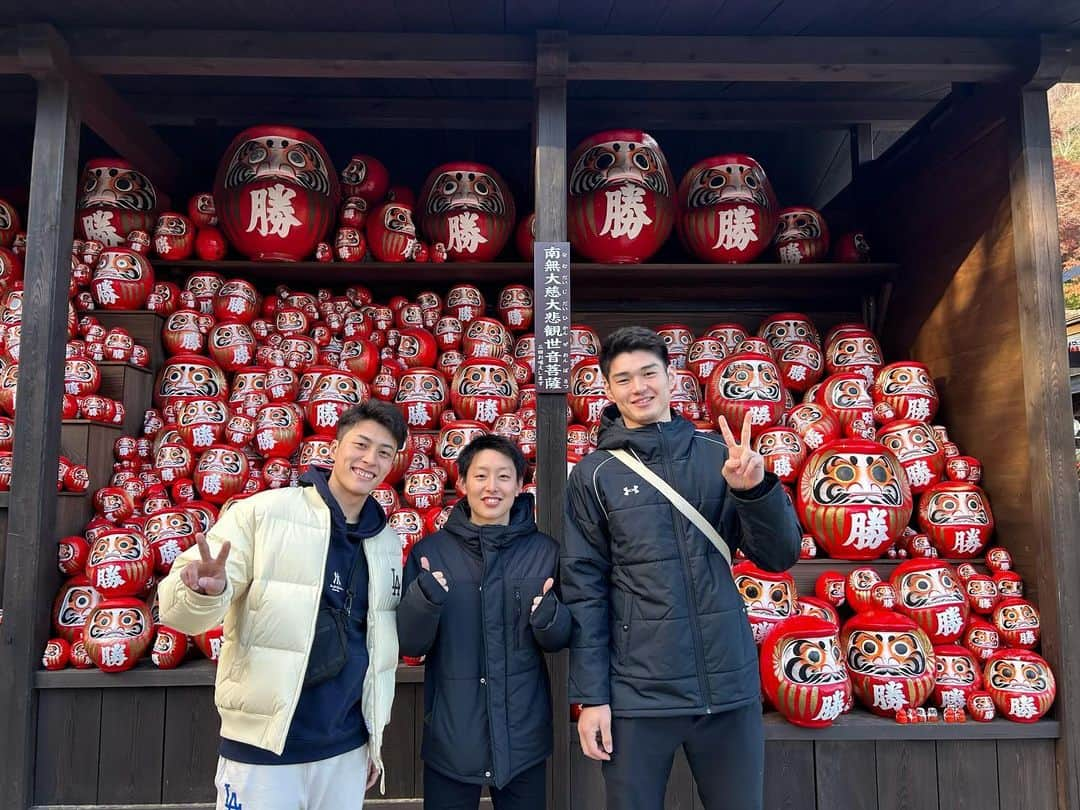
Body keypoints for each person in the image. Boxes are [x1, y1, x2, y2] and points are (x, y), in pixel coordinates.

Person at [561, 326, 802, 810]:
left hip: (728, 686)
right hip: (639, 694)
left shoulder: (721, 457)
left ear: (672, 378)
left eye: (649, 373)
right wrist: (591, 698)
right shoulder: (595, 475)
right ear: (608, 390)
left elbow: (779, 557)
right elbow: (583, 590)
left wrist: (754, 491)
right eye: (624, 378)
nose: (639, 387)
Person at [158, 400, 408, 810]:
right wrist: (204, 592)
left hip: (345, 746)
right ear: (334, 448)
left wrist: (371, 742)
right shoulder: (263, 513)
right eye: (361, 445)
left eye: (384, 452)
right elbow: (180, 611)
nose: (370, 460)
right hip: (266, 746)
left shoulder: (384, 542)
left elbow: (378, 643)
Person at [398, 434, 572, 810]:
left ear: (521, 485)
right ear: (461, 483)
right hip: (451, 733)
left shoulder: (544, 553)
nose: (492, 487)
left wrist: (549, 618)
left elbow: (560, 639)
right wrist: (423, 600)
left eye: (504, 476)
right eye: (480, 476)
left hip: (522, 736)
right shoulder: (431, 553)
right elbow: (411, 645)